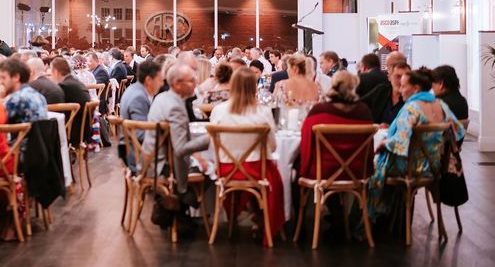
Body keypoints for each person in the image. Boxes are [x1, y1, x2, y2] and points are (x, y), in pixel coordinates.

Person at [367, 67, 465, 221]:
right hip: (436, 166)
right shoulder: (441, 105)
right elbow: (458, 131)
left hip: (412, 168)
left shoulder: (412, 108)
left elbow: (401, 142)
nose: (400, 89)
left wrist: (384, 143)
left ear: (416, 88)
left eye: (404, 86)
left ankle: (375, 219)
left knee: (371, 167)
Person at [208, 67, 285, 245]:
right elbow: (272, 147)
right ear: (254, 87)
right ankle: (261, 219)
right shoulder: (262, 112)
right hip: (257, 170)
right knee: (277, 179)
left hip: (226, 170)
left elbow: (213, 147)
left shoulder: (219, 111)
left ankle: (240, 216)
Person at [145, 64, 209, 197]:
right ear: (177, 84)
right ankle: (189, 206)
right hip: (164, 167)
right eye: (191, 81)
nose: (195, 83)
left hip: (150, 159)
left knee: (205, 161)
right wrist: (212, 138)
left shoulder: (162, 97)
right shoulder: (175, 107)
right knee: (215, 170)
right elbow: (180, 149)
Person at [299, 71, 373, 180]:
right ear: (354, 87)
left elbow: (306, 142)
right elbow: (369, 148)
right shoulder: (364, 112)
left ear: (333, 86)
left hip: (322, 171)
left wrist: (304, 168)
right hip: (356, 172)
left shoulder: (319, 111)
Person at [51, 57, 91, 145]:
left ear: (56, 72)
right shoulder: (77, 83)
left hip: (72, 131)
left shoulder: (64, 86)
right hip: (84, 129)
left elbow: (55, 107)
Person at [0, 58, 47, 124]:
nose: (0, 82)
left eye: (3, 78)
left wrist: (0, 98)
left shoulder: (15, 100)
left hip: (22, 134)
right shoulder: (40, 96)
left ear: (16, 77)